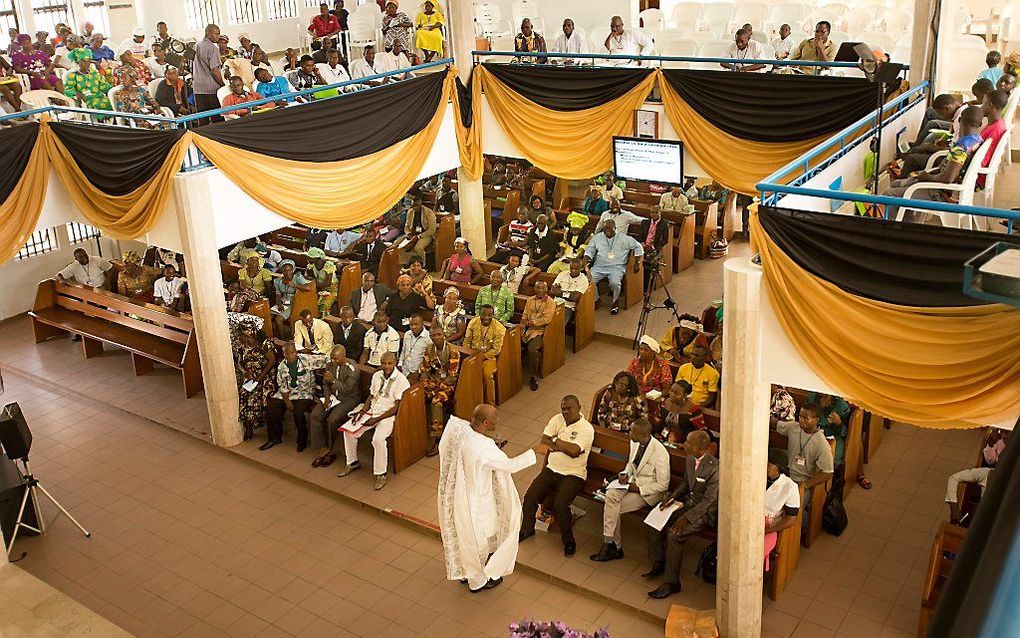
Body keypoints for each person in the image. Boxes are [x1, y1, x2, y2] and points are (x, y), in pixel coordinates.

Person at [438, 405, 548, 592]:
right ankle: (477, 582)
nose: (498, 422)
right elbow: (509, 465)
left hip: (458, 495)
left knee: (465, 538)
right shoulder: (483, 446)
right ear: (486, 422)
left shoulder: (460, 428)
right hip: (475, 501)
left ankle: (465, 573)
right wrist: (534, 451)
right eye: (495, 420)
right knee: (477, 543)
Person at [646, 430, 719, 598]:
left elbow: (709, 501)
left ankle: (671, 583)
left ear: (701, 447)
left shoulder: (715, 468)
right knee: (655, 519)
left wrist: (686, 518)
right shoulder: (690, 459)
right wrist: (672, 497)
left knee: (674, 534)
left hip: (704, 512)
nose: (684, 444)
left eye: (688, 442)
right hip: (687, 503)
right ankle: (659, 561)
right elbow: (686, 483)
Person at [520, 396, 595, 556]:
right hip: (552, 469)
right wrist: (562, 445)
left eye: (569, 408)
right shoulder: (557, 419)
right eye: (563, 408)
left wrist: (555, 441)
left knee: (561, 505)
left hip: (573, 474)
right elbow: (543, 441)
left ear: (579, 407)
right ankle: (527, 530)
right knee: (530, 496)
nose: (565, 412)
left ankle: (568, 541)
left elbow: (575, 452)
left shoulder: (586, 428)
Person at [883, 106, 984, 222]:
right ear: (980, 124)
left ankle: (902, 228)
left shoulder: (961, 148)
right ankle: (908, 223)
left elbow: (947, 178)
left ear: (959, 120)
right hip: (952, 189)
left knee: (888, 194)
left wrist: (927, 177)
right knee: (897, 184)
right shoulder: (977, 140)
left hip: (942, 194)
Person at [590, 418, 670, 563]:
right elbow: (631, 463)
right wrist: (625, 473)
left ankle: (612, 546)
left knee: (613, 507)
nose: (630, 433)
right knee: (611, 495)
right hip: (631, 483)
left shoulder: (660, 453)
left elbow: (663, 485)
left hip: (647, 493)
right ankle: (611, 543)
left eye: (633, 431)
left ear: (644, 435)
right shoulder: (635, 442)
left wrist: (639, 488)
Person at [338, 351, 410, 490]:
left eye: (389, 363)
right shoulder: (377, 375)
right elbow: (371, 396)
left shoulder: (402, 381)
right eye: (383, 363)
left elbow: (397, 407)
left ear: (395, 363)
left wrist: (377, 419)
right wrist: (363, 410)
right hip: (372, 410)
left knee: (378, 440)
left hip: (387, 416)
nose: (386, 366)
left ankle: (381, 473)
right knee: (349, 431)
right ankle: (352, 462)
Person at [308, 344, 360, 468]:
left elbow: (347, 389)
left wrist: (333, 381)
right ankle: (321, 447)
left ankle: (330, 449)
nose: (333, 361)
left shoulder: (352, 369)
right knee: (315, 415)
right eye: (332, 358)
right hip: (333, 396)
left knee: (332, 420)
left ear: (344, 356)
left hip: (348, 399)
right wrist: (326, 398)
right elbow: (325, 383)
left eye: (336, 359)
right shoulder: (330, 364)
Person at [261, 343, 317, 452]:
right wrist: (287, 401)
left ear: (296, 352)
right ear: (284, 354)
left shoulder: (307, 360)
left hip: (304, 392)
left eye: (293, 352)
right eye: (287, 353)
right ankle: (275, 437)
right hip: (287, 393)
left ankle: (302, 440)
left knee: (298, 413)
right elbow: (281, 384)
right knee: (271, 408)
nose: (291, 355)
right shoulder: (282, 366)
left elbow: (326, 359)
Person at [585, 219, 644, 315]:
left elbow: (638, 247)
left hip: (617, 267)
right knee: (588, 280)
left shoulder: (624, 238)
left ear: (615, 228)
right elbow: (590, 249)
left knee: (615, 283)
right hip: (599, 266)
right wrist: (587, 257)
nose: (607, 230)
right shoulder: (597, 237)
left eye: (609, 228)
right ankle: (596, 299)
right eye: (605, 228)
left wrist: (637, 262)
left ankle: (615, 302)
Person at [421, 325, 461, 456]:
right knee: (417, 396)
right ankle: (419, 434)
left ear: (443, 334)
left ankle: (438, 438)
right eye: (433, 335)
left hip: (448, 384)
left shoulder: (452, 351)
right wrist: (426, 384)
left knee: (436, 401)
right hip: (434, 380)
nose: (436, 337)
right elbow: (425, 370)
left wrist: (435, 389)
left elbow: (452, 376)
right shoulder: (429, 349)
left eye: (438, 334)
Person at [232, 324, 276, 441]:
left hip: (266, 376)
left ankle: (261, 426)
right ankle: (248, 426)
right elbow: (240, 362)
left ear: (248, 334)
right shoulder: (242, 345)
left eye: (240, 336)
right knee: (244, 395)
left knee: (258, 398)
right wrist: (245, 372)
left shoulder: (264, 343)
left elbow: (272, 361)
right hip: (251, 377)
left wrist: (260, 377)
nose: (238, 338)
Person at [773, 403, 835, 485]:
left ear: (816, 420)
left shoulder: (821, 443)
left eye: (806, 418)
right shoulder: (793, 427)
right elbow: (776, 424)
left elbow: (828, 472)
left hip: (802, 480)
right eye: (800, 416)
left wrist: (805, 485)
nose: (801, 420)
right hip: (787, 475)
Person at [463, 305, 506, 405]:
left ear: (493, 315)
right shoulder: (473, 322)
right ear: (479, 313)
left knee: (487, 375)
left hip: (488, 358)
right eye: (483, 314)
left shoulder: (499, 329)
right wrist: (469, 355)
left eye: (489, 315)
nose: (486, 317)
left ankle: (490, 404)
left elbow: (496, 350)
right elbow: (467, 341)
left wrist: (480, 358)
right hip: (472, 354)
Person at [763, 458, 801, 571]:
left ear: (778, 468)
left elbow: (791, 519)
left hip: (770, 526)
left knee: (755, 549)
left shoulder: (789, 486)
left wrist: (767, 531)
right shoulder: (757, 475)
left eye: (769, 465)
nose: (765, 466)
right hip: (749, 519)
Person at [521, 280, 556, 391]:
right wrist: (522, 324)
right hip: (527, 329)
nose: (540, 290)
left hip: (540, 331)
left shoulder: (550, 302)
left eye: (542, 288)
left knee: (532, 350)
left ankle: (533, 377)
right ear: (535, 289)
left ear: (546, 289)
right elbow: (525, 315)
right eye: (538, 288)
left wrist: (531, 323)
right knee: (510, 343)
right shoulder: (530, 300)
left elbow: (546, 320)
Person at [192, 24, 225, 122]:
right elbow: (215, 71)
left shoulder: (196, 45)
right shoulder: (212, 48)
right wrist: (222, 85)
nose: (218, 36)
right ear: (208, 33)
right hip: (211, 89)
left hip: (198, 88)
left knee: (202, 120)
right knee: (217, 119)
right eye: (216, 34)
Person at [272, 260, 312, 339]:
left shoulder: (298, 278)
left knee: (278, 319)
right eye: (285, 270)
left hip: (294, 303)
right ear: (282, 271)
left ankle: (282, 339)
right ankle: (272, 335)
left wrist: (295, 285)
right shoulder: (278, 281)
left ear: (293, 270)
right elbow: (278, 295)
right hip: (282, 303)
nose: (287, 272)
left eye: (290, 270)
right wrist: (279, 304)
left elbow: (308, 287)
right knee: (267, 315)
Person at [550, 258, 590, 326]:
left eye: (576, 269)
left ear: (581, 269)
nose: (573, 271)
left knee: (558, 324)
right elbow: (553, 291)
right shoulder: (562, 274)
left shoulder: (583, 280)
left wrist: (560, 292)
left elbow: (574, 298)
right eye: (571, 268)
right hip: (554, 302)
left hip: (568, 306)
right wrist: (569, 294)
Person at [399, 194, 437, 265]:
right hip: (412, 234)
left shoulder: (428, 212)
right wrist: (409, 234)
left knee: (418, 247)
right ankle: (405, 264)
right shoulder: (410, 212)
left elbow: (432, 230)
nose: (415, 207)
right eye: (414, 206)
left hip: (426, 235)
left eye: (417, 205)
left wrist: (418, 236)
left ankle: (422, 265)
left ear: (421, 205)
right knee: (397, 243)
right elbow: (406, 226)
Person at [306, 248, 338, 316]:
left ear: (317, 258)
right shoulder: (312, 264)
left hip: (331, 289)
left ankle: (324, 320)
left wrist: (315, 284)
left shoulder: (328, 265)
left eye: (310, 258)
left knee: (324, 305)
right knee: (309, 301)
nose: (308, 259)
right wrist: (310, 278)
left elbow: (328, 283)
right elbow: (307, 275)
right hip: (319, 288)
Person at [397, 313, 429, 379]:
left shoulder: (428, 338)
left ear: (422, 323)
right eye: (411, 325)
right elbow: (403, 350)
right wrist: (400, 364)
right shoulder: (407, 334)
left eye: (416, 324)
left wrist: (419, 372)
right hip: (404, 370)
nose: (413, 327)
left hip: (417, 373)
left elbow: (428, 358)